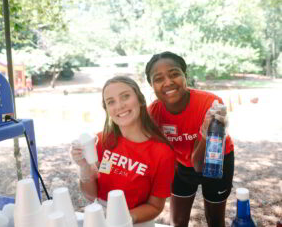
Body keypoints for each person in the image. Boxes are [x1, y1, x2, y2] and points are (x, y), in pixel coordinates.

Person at [145, 51, 234, 227]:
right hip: (180, 166)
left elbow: (199, 165)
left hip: (216, 162)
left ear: (185, 76)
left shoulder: (210, 104)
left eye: (174, 74)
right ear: (151, 85)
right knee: (178, 221)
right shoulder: (153, 113)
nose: (168, 82)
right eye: (158, 78)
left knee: (215, 220)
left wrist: (204, 132)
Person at [70, 76, 176, 224]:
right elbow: (91, 195)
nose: (119, 106)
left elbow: (155, 206)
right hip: (102, 219)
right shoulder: (101, 140)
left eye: (125, 96)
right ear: (106, 109)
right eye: (111, 101)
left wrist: (122, 218)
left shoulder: (162, 153)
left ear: (140, 99)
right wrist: (84, 166)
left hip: (136, 222)